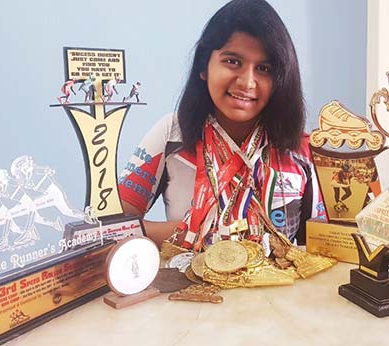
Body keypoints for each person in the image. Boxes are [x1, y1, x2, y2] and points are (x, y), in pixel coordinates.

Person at [118, 0, 325, 249]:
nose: (247, 82)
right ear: (204, 66)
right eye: (232, 62)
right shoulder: (172, 133)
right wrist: (193, 232)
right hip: (190, 287)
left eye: (264, 68)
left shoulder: (303, 150)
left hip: (276, 287)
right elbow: (114, 228)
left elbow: (318, 250)